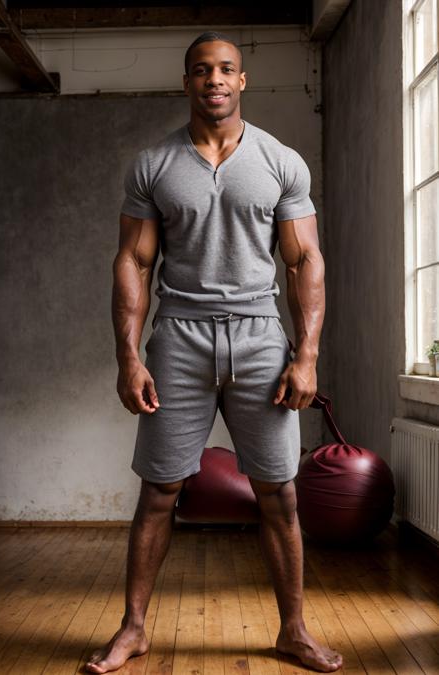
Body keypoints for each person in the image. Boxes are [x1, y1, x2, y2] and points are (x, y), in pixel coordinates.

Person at [85, 31, 343, 674]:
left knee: (278, 493)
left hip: (260, 336)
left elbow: (305, 260)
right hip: (180, 338)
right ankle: (133, 629)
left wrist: (305, 356)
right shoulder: (153, 165)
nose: (215, 80)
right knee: (159, 491)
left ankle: (294, 631)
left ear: (243, 81)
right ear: (187, 82)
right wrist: (128, 357)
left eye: (227, 69)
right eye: (202, 70)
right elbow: (133, 262)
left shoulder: (281, 161)